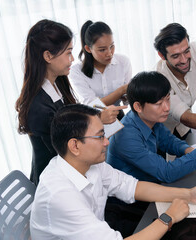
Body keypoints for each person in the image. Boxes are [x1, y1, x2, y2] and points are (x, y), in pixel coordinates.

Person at [30, 103, 196, 240]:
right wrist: (168, 217)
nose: (106, 142)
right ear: (75, 146)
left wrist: (189, 195)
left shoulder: (88, 164)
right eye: (100, 136)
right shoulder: (60, 195)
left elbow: (133, 187)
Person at [15, 19, 124, 185]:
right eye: (68, 53)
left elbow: (71, 117)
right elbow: (66, 144)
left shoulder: (57, 83)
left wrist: (98, 116)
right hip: (56, 182)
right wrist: (98, 119)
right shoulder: (39, 107)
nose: (73, 59)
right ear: (48, 56)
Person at [107, 71, 196, 184]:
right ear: (138, 106)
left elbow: (168, 140)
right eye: (159, 103)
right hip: (130, 205)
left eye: (168, 99)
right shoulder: (125, 136)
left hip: (149, 186)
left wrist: (189, 150)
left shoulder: (147, 117)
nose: (167, 108)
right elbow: (167, 173)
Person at [70, 20, 132, 119]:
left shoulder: (123, 62)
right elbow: (92, 106)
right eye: (102, 49)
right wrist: (121, 91)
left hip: (118, 116)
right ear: (88, 49)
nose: (109, 53)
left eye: (112, 46)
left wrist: (128, 94)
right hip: (94, 120)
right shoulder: (76, 71)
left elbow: (128, 98)